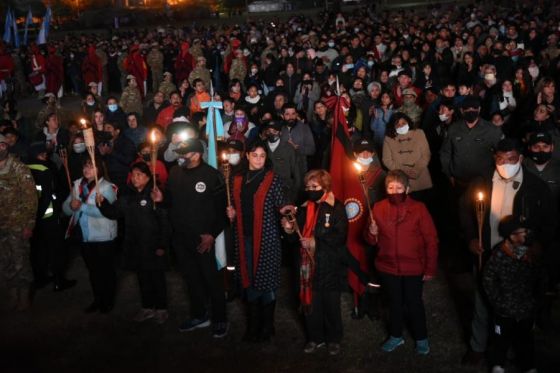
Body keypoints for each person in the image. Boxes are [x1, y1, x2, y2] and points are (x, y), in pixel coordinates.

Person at [460, 138, 556, 365]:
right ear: (495, 159)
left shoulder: (535, 187)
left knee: (517, 305)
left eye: (511, 159)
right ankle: (478, 346)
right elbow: (464, 211)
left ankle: (515, 348)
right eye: (501, 159)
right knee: (483, 300)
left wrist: (539, 243)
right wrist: (471, 237)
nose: (506, 164)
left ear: (520, 159)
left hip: (520, 257)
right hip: (488, 252)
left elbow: (550, 221)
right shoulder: (481, 182)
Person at [153, 138, 228, 338]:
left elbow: (223, 213)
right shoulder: (176, 173)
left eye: (184, 153)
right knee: (191, 279)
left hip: (204, 240)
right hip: (181, 238)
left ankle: (220, 318)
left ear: (197, 154)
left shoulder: (212, 176)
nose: (181, 156)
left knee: (211, 280)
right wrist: (161, 200)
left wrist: (211, 234)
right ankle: (199, 315)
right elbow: (169, 201)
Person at [364, 170, 438, 355]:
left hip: (413, 267)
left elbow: (431, 240)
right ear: (385, 189)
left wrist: (429, 268)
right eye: (390, 187)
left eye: (399, 187)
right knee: (394, 303)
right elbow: (370, 241)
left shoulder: (419, 208)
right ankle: (396, 336)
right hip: (387, 267)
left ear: (407, 189)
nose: (394, 191)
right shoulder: (378, 207)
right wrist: (371, 232)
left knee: (414, 303)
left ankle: (421, 337)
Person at [280, 169, 348, 356]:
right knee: (310, 304)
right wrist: (289, 229)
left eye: (315, 186)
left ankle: (333, 339)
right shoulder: (302, 208)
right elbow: (295, 239)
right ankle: (314, 338)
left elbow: (340, 237)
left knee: (331, 305)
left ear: (325, 187)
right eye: (308, 187)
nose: (310, 190)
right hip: (305, 267)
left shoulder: (337, 208)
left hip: (328, 265)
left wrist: (314, 242)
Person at [226, 140, 288, 342]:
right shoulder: (236, 179)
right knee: (249, 279)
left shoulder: (273, 179)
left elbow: (281, 206)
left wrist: (287, 218)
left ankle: (267, 326)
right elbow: (236, 205)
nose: (259, 159)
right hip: (243, 237)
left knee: (266, 281)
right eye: (255, 155)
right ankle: (253, 326)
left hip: (267, 238)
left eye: (262, 156)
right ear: (247, 156)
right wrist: (232, 212)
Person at [97, 162, 171, 324]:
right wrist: (102, 204)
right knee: (142, 277)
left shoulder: (155, 193)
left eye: (139, 175)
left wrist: (162, 245)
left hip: (153, 246)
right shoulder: (127, 196)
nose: (135, 178)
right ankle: (147, 307)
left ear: (147, 177)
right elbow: (115, 213)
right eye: (134, 174)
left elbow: (165, 221)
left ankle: (161, 308)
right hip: (136, 245)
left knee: (157, 277)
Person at [483, 215, 544, 373]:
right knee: (500, 341)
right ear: (511, 235)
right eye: (523, 231)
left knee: (526, 341)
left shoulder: (531, 255)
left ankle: (529, 366)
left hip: (525, 311)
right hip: (504, 312)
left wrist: (534, 301)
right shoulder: (499, 254)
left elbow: (540, 279)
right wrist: (498, 302)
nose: (527, 234)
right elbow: (488, 280)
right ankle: (498, 366)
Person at [62, 156, 118, 313]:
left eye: (91, 167)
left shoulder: (108, 187)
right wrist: (71, 206)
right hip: (86, 236)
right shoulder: (78, 184)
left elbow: (108, 212)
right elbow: (66, 208)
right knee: (93, 271)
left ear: (99, 169)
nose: (86, 170)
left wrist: (82, 207)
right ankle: (97, 299)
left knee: (106, 270)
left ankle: (108, 300)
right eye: (85, 167)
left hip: (104, 236)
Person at [27, 142, 76, 292]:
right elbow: (49, 195)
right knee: (56, 249)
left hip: (33, 218)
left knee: (39, 249)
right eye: (44, 153)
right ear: (41, 154)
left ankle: (40, 278)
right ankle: (58, 280)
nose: (46, 155)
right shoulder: (45, 169)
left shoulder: (24, 168)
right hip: (49, 216)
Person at [0, 134, 38, 310]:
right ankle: (12, 294)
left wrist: (29, 224)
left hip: (18, 224)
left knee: (20, 261)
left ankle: (24, 297)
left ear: (6, 146)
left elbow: (31, 198)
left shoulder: (19, 168)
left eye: (2, 144)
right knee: (5, 262)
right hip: (2, 226)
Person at [382, 113, 432, 202]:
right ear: (393, 126)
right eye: (397, 124)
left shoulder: (419, 133)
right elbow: (387, 160)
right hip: (400, 180)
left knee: (422, 207)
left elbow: (426, 154)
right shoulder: (388, 139)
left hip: (420, 177)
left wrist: (417, 169)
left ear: (408, 122)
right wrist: (403, 171)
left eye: (403, 123)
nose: (401, 126)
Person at [263, 121, 301, 204]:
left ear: (280, 132)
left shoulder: (288, 148)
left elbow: (296, 172)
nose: (271, 133)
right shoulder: (262, 147)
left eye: (274, 131)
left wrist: (294, 193)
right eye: (269, 131)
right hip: (266, 189)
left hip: (285, 189)